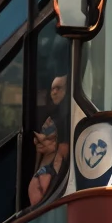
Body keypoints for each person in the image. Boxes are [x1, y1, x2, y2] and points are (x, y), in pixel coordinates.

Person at [28, 72, 69, 208]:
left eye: (59, 88)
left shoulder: (66, 117)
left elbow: (62, 151)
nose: (55, 92)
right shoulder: (52, 118)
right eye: (52, 88)